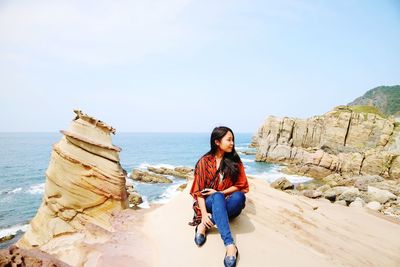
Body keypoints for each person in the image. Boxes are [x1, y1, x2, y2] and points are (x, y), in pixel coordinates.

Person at [189, 126, 249, 267]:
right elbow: (198, 192)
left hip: (229, 203)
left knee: (239, 197)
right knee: (216, 198)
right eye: (229, 140)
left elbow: (241, 185)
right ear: (217, 142)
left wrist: (221, 192)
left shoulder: (235, 160)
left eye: (233, 140)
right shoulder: (204, 162)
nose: (232, 143)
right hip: (209, 203)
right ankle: (230, 245)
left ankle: (204, 226)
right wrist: (203, 214)